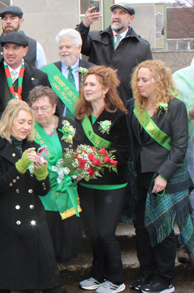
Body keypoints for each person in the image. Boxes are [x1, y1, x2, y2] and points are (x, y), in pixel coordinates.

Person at [0, 98, 66, 293]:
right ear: (9, 120)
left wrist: (41, 172)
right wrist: (20, 166)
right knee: (4, 284)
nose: (26, 127)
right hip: (5, 221)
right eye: (21, 122)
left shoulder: (33, 145)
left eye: (29, 122)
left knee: (43, 283)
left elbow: (43, 190)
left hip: (33, 221)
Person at [127, 60, 194, 292]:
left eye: (145, 79)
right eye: (138, 79)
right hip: (141, 177)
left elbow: (179, 147)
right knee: (142, 228)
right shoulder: (133, 106)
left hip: (166, 177)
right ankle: (147, 274)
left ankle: (165, 280)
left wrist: (163, 175)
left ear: (159, 81)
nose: (140, 83)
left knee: (163, 228)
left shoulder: (175, 106)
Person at [73, 66, 129, 293]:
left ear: (105, 89)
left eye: (92, 85)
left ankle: (116, 280)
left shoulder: (119, 116)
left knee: (106, 234)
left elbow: (125, 153)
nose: (87, 88)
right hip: (86, 184)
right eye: (85, 84)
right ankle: (98, 275)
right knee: (94, 234)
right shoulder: (80, 116)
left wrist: (96, 159)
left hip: (112, 185)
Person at [26, 85, 84, 263]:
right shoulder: (28, 129)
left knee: (64, 242)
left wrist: (80, 170)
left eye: (44, 108)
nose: (40, 113)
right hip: (40, 190)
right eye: (35, 108)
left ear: (54, 107)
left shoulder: (68, 125)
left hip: (66, 188)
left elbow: (82, 151)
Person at [0, 32, 50, 139]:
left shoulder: (40, 77)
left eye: (15, 48)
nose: (10, 52)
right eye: (7, 48)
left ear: (25, 51)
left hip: (29, 141)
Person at [77, 3, 152, 102]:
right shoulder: (95, 38)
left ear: (131, 18)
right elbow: (77, 43)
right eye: (114, 13)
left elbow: (149, 76)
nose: (116, 16)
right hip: (97, 102)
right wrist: (85, 24)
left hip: (125, 103)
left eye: (122, 13)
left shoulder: (141, 45)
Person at [41, 28, 94, 119]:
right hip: (57, 125)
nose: (63, 50)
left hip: (86, 125)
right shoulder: (48, 72)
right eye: (61, 47)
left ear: (79, 48)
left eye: (68, 47)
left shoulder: (92, 70)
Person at [172, 58, 194, 265]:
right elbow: (170, 111)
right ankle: (187, 243)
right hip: (188, 143)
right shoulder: (180, 79)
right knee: (187, 197)